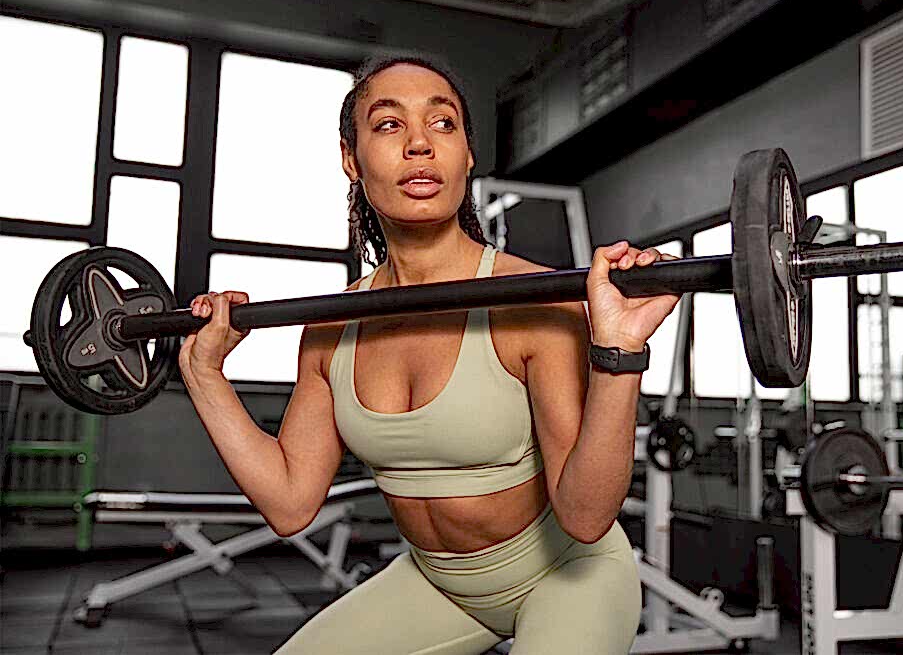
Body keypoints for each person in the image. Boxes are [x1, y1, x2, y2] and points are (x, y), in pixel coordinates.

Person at [180, 55, 680, 654]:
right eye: (389, 125)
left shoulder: (535, 304)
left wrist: (619, 351)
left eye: (442, 124)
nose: (420, 144)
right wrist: (204, 373)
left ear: (467, 154)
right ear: (351, 158)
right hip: (438, 583)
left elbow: (584, 516)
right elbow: (290, 502)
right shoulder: (333, 324)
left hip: (570, 576)